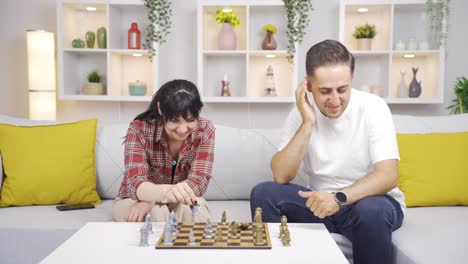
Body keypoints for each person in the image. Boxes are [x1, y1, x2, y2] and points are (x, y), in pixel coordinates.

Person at [250, 40, 405, 264]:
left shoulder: (374, 107)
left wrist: (338, 198)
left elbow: (388, 176)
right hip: (321, 205)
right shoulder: (300, 113)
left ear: (352, 81)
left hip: (370, 203)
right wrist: (308, 123)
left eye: (342, 89)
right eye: (324, 91)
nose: (334, 100)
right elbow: (281, 175)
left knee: (371, 209)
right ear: (309, 85)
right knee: (263, 193)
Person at [113, 79, 215, 223]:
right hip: (137, 198)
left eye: (190, 120)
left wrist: (160, 197)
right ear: (161, 109)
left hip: (181, 199)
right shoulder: (139, 129)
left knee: (194, 214)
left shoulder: (205, 129)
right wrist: (153, 200)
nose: (182, 129)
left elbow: (199, 181)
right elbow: (135, 183)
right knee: (156, 214)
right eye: (174, 121)